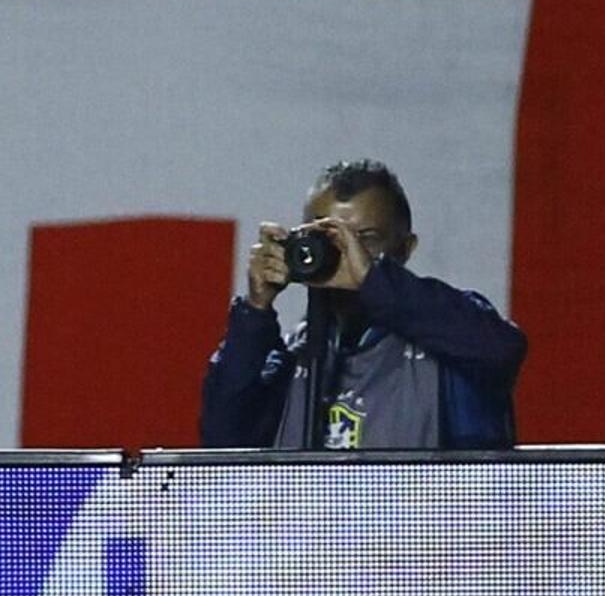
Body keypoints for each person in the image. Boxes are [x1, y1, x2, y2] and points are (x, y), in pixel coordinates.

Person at [198, 161, 525, 451]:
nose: (344, 249)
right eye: (327, 235)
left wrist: (375, 281)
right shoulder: (297, 353)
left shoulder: (451, 337)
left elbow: (503, 349)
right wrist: (256, 311)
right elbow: (221, 440)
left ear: (405, 247)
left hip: (421, 519)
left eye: (365, 237)